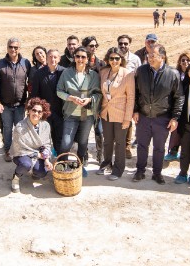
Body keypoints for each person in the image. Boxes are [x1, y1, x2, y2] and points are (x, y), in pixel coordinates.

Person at [132, 43, 183, 185]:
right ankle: (140, 171)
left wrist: (175, 117)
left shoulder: (173, 74)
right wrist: (135, 110)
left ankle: (157, 173)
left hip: (162, 117)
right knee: (142, 145)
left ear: (162, 57)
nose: (149, 58)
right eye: (148, 55)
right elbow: (135, 92)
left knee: (159, 148)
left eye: (153, 55)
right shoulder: (141, 71)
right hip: (143, 116)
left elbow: (179, 97)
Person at [57, 47, 101, 177]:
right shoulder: (66, 73)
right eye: (78, 56)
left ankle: (79, 166)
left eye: (83, 57)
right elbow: (59, 90)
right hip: (71, 114)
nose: (80, 59)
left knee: (83, 142)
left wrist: (89, 99)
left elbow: (98, 94)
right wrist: (70, 98)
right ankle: (61, 166)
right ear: (74, 58)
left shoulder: (93, 75)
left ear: (87, 59)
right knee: (66, 142)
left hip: (87, 115)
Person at [97, 47, 135, 180]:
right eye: (111, 58)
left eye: (117, 58)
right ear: (108, 60)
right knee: (107, 141)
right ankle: (106, 163)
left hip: (120, 114)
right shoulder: (104, 72)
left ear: (121, 59)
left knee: (119, 142)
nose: (114, 61)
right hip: (106, 112)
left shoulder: (128, 74)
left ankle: (118, 170)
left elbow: (130, 98)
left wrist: (127, 119)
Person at [0, 37, 31, 161]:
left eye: (16, 47)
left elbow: (30, 83)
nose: (13, 49)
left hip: (20, 104)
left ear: (19, 49)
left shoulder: (26, 63)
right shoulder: (1, 63)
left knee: (20, 128)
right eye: (11, 47)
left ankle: (19, 150)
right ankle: (8, 150)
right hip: (5, 105)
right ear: (7, 48)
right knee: (7, 129)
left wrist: (28, 99)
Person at [9, 98, 54, 193]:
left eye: (39, 111)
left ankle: (35, 172)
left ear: (43, 114)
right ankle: (16, 177)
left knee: (42, 172)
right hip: (21, 154)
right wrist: (37, 155)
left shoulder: (45, 125)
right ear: (29, 111)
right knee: (26, 164)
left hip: (40, 155)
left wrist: (46, 159)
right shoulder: (20, 126)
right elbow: (19, 148)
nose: (36, 113)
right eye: (34, 110)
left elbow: (47, 144)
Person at [29, 48, 65, 153]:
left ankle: (60, 162)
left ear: (59, 59)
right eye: (50, 56)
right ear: (47, 58)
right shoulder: (39, 74)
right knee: (43, 139)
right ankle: (44, 162)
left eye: (55, 57)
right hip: (45, 113)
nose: (52, 59)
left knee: (59, 139)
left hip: (60, 112)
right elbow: (35, 94)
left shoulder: (64, 72)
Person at [164, 51, 190, 161]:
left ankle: (186, 153)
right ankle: (173, 151)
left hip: (189, 106)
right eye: (183, 60)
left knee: (187, 131)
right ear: (179, 62)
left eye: (188, 60)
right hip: (176, 106)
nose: (185, 62)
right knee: (175, 130)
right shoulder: (175, 73)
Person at [82, 35, 105, 165]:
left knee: (99, 131)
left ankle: (100, 156)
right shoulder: (79, 63)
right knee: (84, 132)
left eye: (96, 45)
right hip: (83, 104)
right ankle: (84, 157)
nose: (94, 48)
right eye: (91, 45)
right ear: (85, 47)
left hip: (97, 104)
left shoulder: (101, 64)